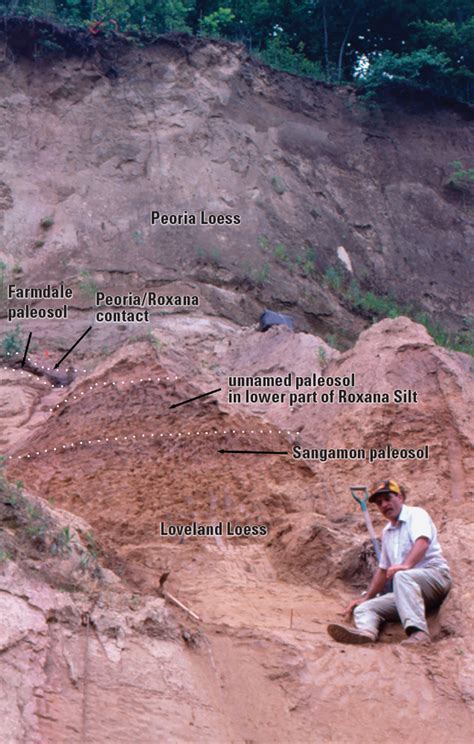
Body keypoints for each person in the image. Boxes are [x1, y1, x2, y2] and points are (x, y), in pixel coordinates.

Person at [327, 479, 452, 646]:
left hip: (434, 578)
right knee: (366, 607)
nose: (384, 505)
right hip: (408, 592)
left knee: (402, 576)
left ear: (400, 497)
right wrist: (366, 598)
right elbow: (382, 571)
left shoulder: (416, 514)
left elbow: (422, 542)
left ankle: (419, 634)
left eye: (388, 499)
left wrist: (406, 566)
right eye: (379, 503)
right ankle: (367, 632)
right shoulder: (387, 532)